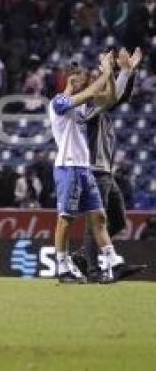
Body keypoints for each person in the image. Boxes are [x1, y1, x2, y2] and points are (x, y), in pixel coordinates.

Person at [47, 53, 126, 284]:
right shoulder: (58, 102)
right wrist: (105, 70)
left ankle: (112, 261)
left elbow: (109, 97)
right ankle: (62, 267)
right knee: (66, 220)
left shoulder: (82, 108)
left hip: (84, 168)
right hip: (67, 167)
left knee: (99, 217)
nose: (87, 82)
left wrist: (109, 75)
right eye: (81, 78)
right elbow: (92, 93)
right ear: (70, 80)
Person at [74, 48, 146, 281]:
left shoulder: (102, 107)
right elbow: (115, 97)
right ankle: (94, 270)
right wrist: (120, 71)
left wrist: (129, 72)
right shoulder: (88, 107)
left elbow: (122, 96)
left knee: (118, 221)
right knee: (96, 222)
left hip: (106, 173)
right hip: (94, 171)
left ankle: (85, 255)